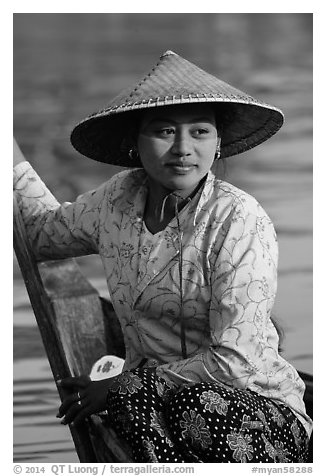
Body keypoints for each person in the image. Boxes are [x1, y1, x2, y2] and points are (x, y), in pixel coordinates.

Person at [13, 50, 312, 463]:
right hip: (152, 405)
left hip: (253, 411)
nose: (183, 149)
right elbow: (40, 232)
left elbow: (236, 361)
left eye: (201, 132)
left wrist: (122, 387)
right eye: (165, 131)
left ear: (219, 142)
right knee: (131, 404)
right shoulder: (116, 199)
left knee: (184, 404)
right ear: (135, 143)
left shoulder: (238, 218)